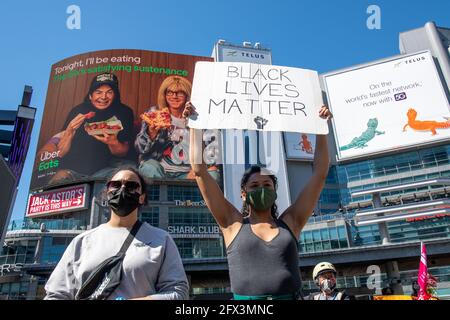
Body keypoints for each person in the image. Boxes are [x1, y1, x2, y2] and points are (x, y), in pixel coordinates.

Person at [189, 106, 332, 300]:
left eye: (267, 184)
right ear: (243, 194)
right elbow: (200, 171)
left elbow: (320, 174)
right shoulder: (232, 223)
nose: (261, 188)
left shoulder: (292, 221)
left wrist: (322, 129)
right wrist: (194, 125)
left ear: (274, 191)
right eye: (254, 185)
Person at [44, 168, 189, 300]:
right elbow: (56, 295)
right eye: (116, 185)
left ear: (142, 197)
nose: (123, 189)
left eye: (131, 186)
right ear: (107, 193)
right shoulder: (81, 242)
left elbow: (178, 293)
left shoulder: (161, 239)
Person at [48, 73, 136, 184]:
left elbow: (123, 152)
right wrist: (69, 130)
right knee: (57, 180)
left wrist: (112, 142)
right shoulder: (78, 110)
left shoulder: (124, 112)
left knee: (130, 170)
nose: (103, 97)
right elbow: (60, 153)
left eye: (109, 92)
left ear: (115, 95)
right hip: (72, 170)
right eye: (98, 92)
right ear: (90, 96)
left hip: (106, 170)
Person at [135, 75, 220, 183]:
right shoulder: (155, 114)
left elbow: (212, 148)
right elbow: (140, 148)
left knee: (213, 174)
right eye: (170, 92)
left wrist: (200, 169)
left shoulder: (199, 118)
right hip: (160, 170)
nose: (174, 97)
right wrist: (151, 133)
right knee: (149, 167)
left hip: (189, 172)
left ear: (187, 96)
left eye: (180, 93)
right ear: (164, 95)